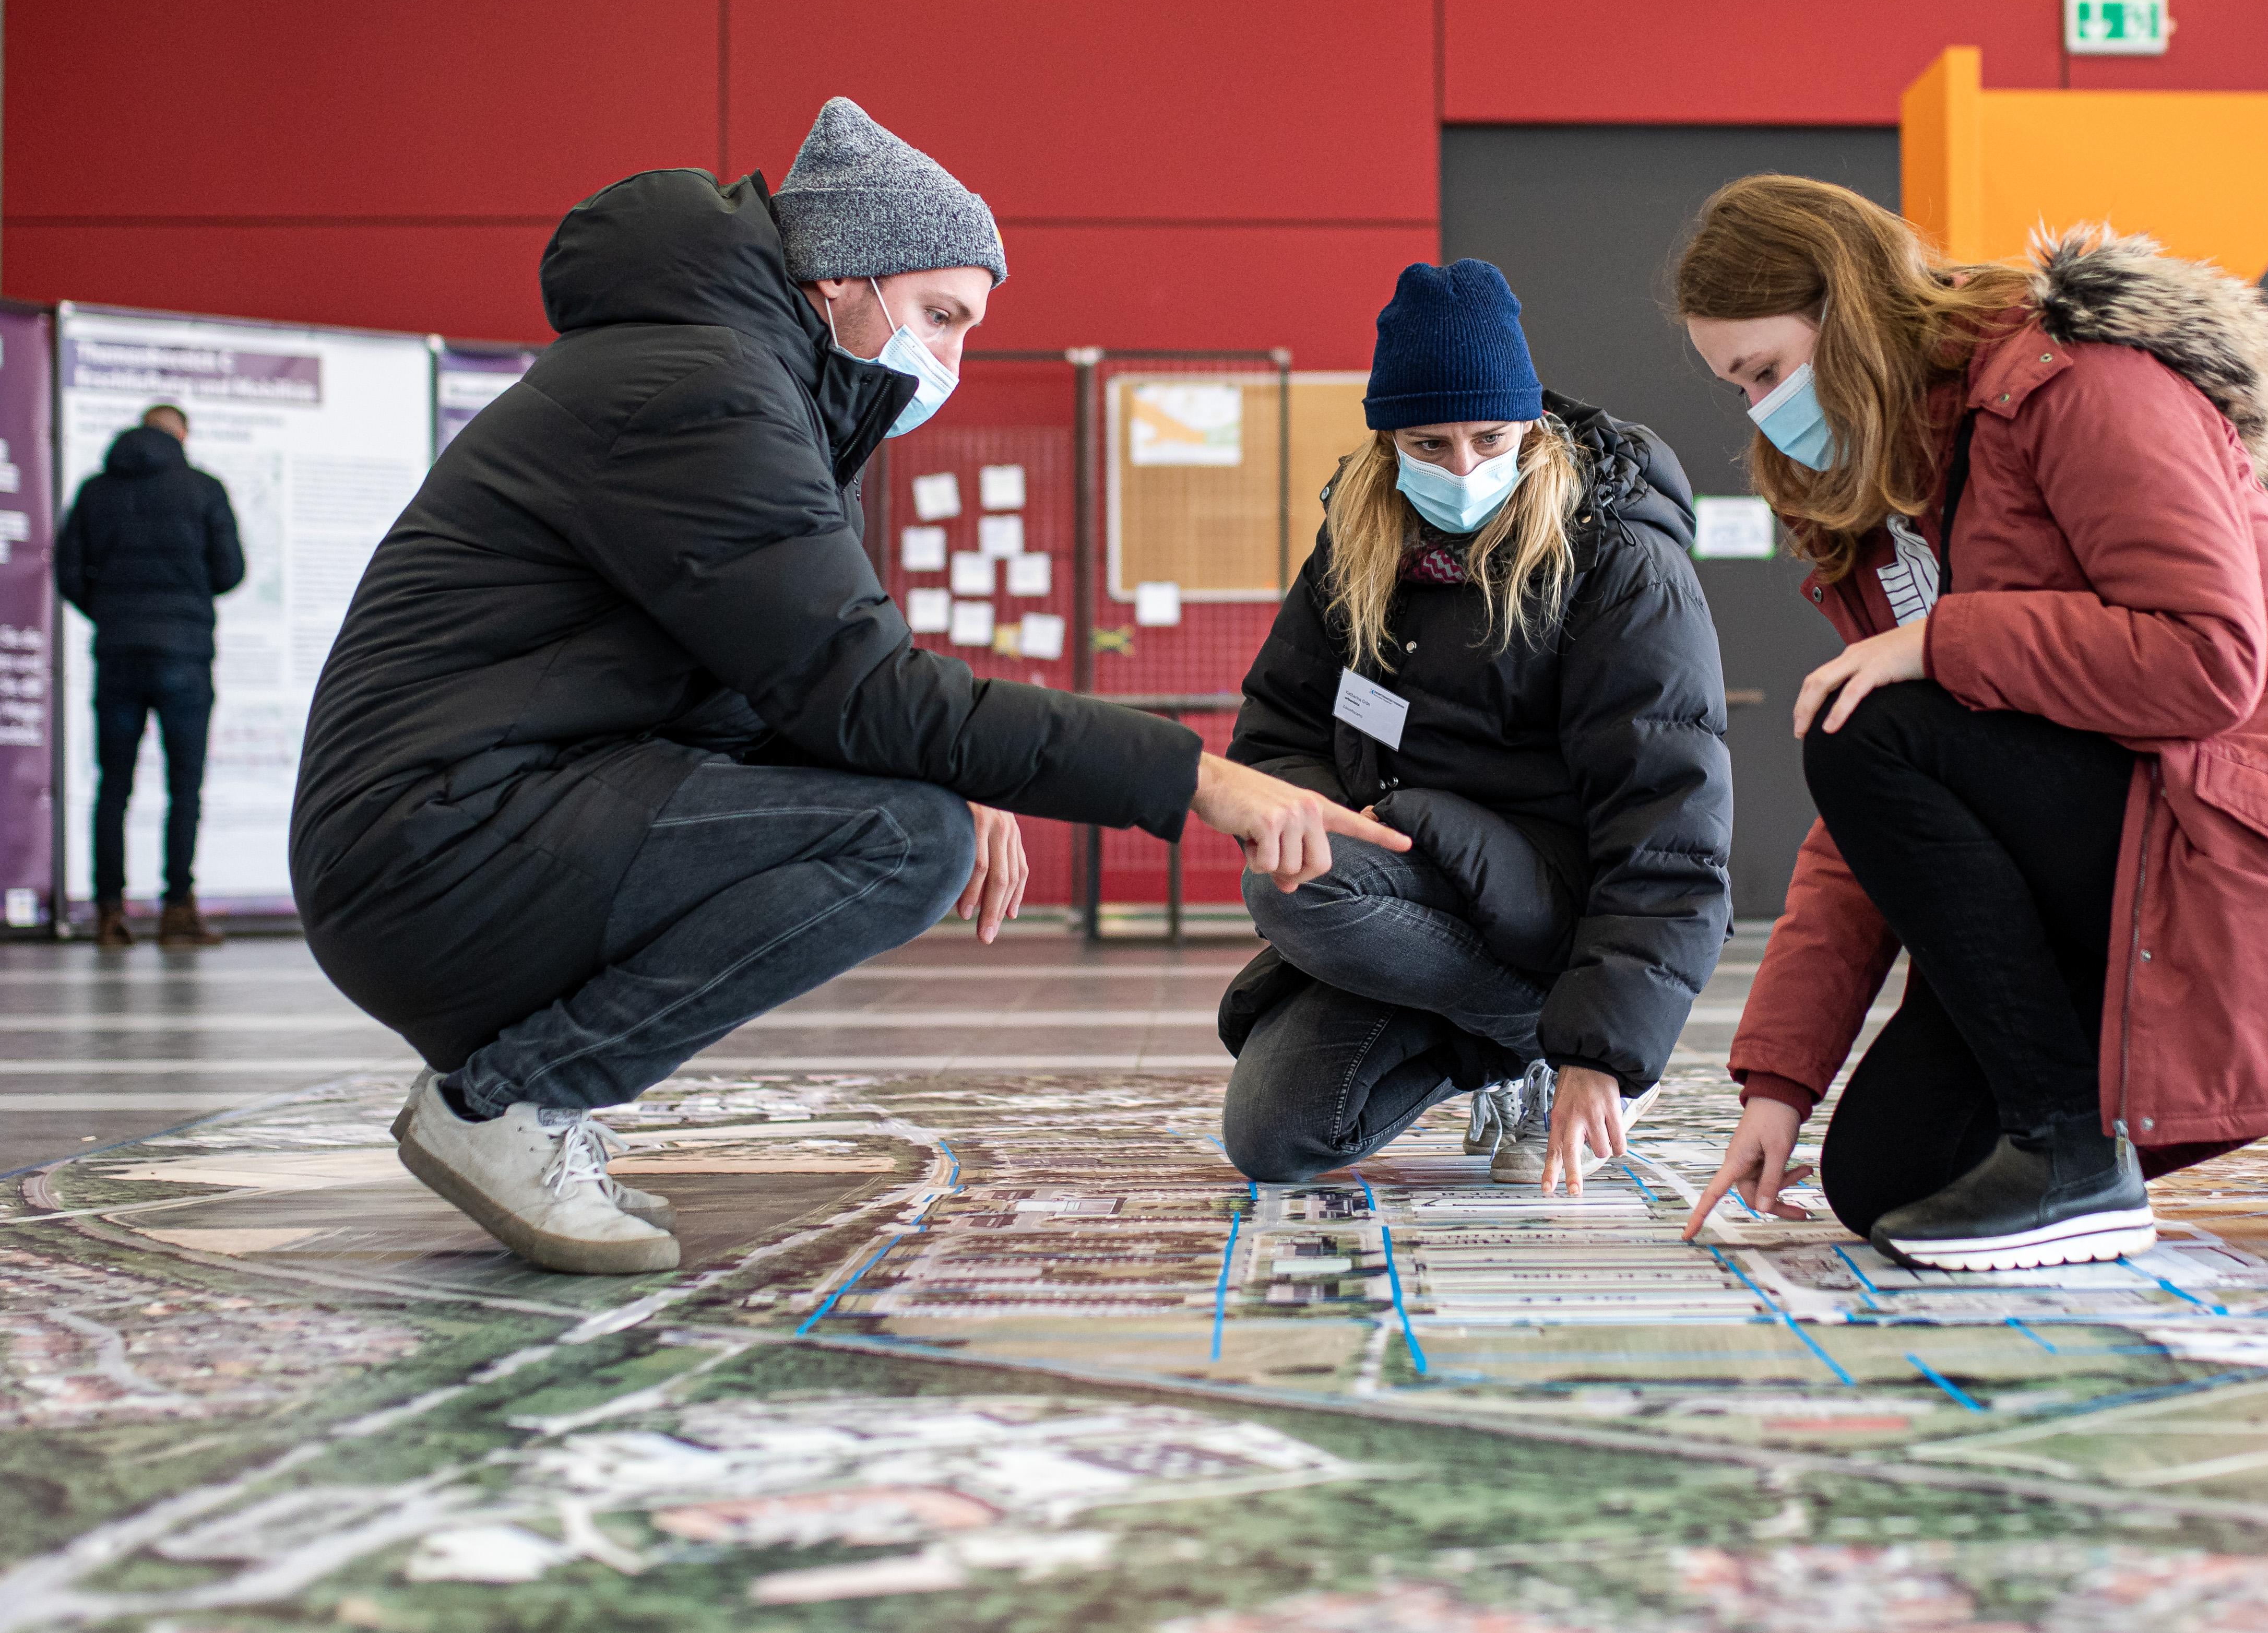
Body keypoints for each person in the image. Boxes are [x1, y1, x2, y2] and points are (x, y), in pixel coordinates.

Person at [292, 98, 1400, 1276]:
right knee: (905, 840)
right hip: (428, 851)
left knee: (913, 810)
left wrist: (941, 754)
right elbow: (863, 693)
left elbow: (787, 688)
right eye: (937, 315)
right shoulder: (703, 389)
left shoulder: (750, 382)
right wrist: (1198, 779)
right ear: (837, 280)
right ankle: (505, 1104)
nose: (950, 360)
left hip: (471, 822)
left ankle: (524, 1095)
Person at [1672, 177, 2268, 1271]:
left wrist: (1944, 640)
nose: (1763, 408)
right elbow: (1875, 819)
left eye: (1767, 369)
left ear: (1850, 311)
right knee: (1882, 1179)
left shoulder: (2078, 386)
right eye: (1737, 388)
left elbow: (2208, 659)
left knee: (1865, 726)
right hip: (2118, 843)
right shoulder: (1881, 501)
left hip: (2251, 838)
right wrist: (1779, 1079)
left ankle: (2071, 1155)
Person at [1217, 259, 1732, 1194]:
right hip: (1414, 880)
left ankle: (1561, 1044)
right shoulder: (1358, 541)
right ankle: (1515, 1046)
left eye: (1489, 437)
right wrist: (1326, 813)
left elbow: (1669, 822)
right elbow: (1279, 726)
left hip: (1549, 902)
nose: (1462, 468)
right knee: (1275, 1136)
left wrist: (1605, 1045)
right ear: (1386, 443)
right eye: (1429, 444)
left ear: (1529, 426)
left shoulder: (1618, 560)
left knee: (1300, 893)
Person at [55, 401, 247, 949]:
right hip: (185, 654)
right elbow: (230, 570)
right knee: (184, 784)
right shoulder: (204, 488)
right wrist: (185, 602)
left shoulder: (95, 491)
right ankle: (177, 909)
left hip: (116, 651)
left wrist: (112, 612)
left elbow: (70, 573)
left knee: (113, 784)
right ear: (182, 433)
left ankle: (110, 912)